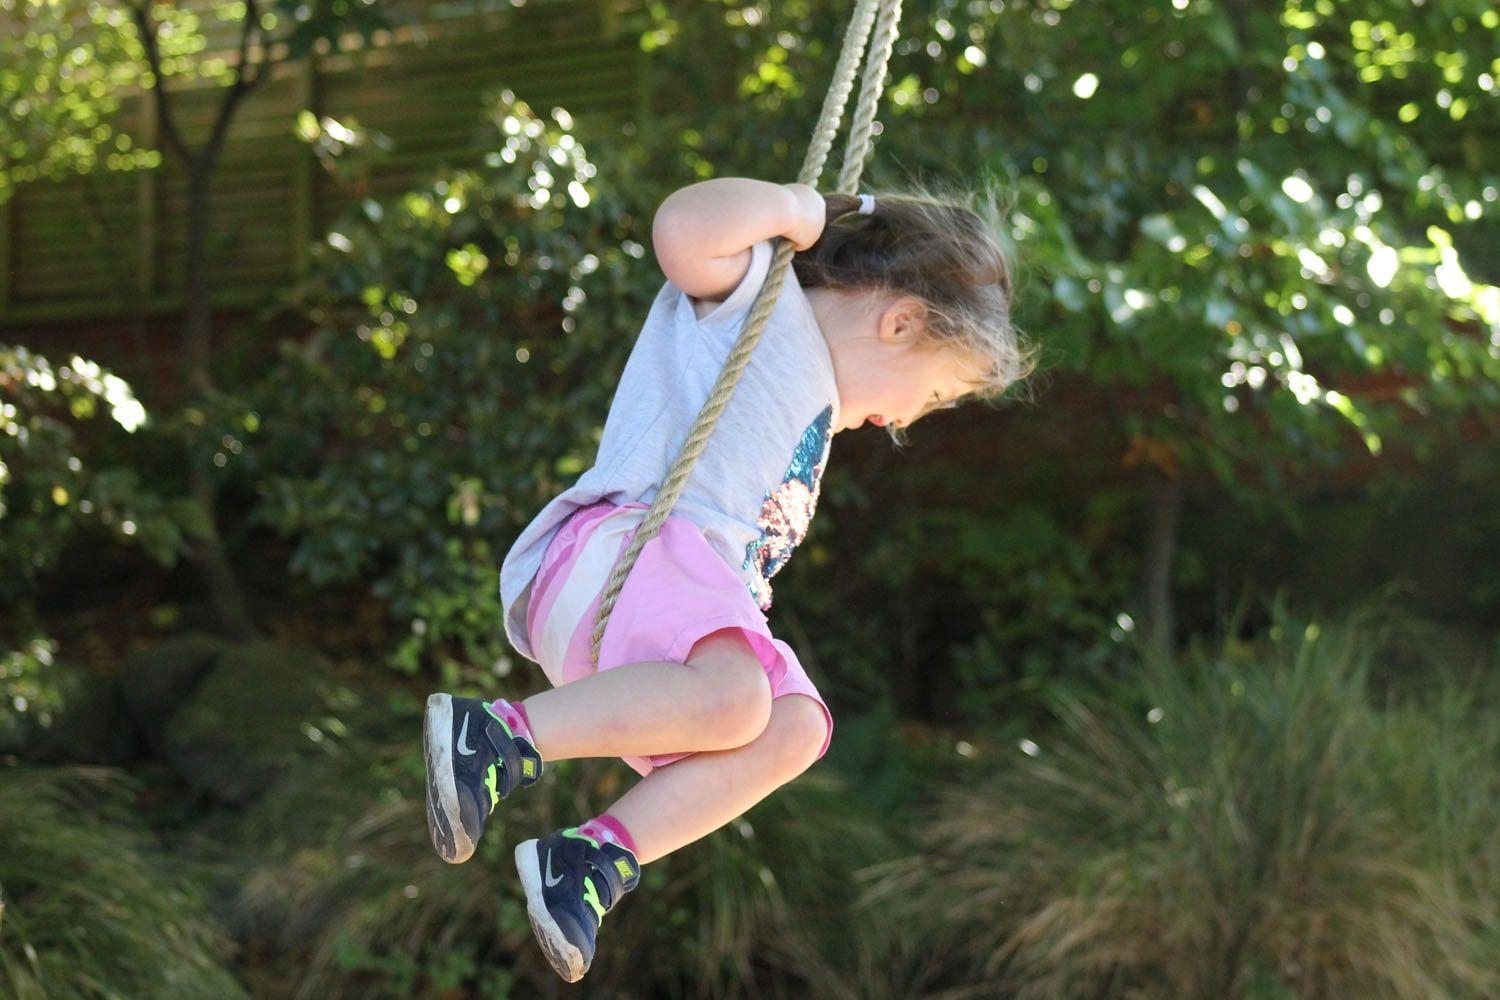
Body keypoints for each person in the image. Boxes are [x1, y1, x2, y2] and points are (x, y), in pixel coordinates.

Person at [421, 176, 1035, 982]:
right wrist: (799, 212)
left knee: (795, 725)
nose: (909, 419)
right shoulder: (760, 307)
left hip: (658, 613)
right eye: (935, 393)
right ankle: (493, 737)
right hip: (616, 554)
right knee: (742, 695)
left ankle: (593, 858)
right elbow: (682, 228)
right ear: (900, 322)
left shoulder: (814, 397)